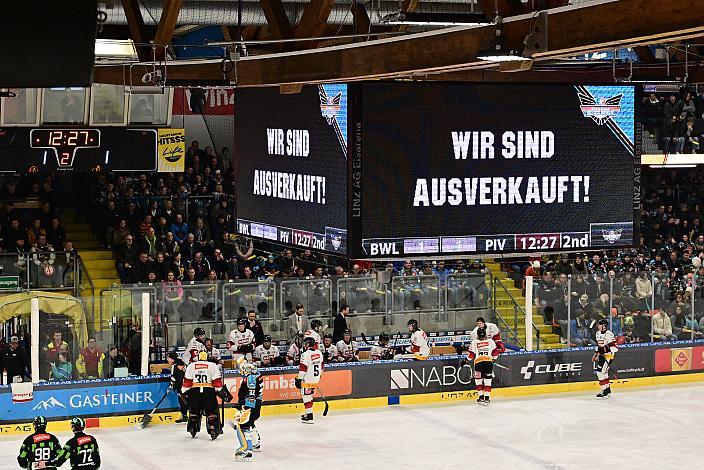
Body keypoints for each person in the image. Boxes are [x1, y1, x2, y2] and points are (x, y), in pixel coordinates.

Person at [182, 351, 225, 440]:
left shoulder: (191, 366)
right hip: (208, 392)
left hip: (194, 392)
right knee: (211, 411)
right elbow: (216, 381)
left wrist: (184, 391)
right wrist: (220, 390)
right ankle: (212, 428)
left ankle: (192, 428)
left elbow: (187, 381)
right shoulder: (213, 366)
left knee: (194, 410)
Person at [234, 362, 263, 462]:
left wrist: (245, 408)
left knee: (243, 426)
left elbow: (251, 395)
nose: (241, 371)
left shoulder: (250, 378)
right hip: (256, 404)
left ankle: (246, 451)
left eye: (243, 369)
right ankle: (255, 444)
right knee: (250, 423)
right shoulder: (257, 375)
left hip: (251, 405)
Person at [295, 337, 323, 424]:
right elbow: (322, 367)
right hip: (315, 379)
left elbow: (303, 369)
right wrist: (317, 377)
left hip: (307, 379)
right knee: (309, 396)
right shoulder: (319, 353)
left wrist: (299, 379)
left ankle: (309, 416)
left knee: (306, 396)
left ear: (307, 344)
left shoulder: (305, 354)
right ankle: (308, 414)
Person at [592, 319, 618, 398]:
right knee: (604, 373)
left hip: (608, 356)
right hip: (601, 356)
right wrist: (596, 354)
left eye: (599, 324)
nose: (598, 326)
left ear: (604, 326)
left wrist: (606, 353)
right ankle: (607, 389)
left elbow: (615, 348)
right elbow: (599, 346)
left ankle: (604, 390)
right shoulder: (598, 333)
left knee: (600, 373)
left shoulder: (609, 334)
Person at [167, 352, 188, 423]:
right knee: (185, 400)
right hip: (187, 385)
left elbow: (174, 378)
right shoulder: (183, 363)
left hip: (181, 386)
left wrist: (171, 387)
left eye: (168, 358)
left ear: (172, 359)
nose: (167, 360)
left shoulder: (175, 366)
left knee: (182, 401)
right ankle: (186, 415)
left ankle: (185, 416)